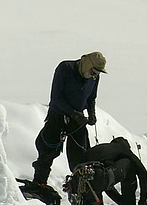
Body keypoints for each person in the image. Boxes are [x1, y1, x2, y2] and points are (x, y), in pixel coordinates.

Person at [31, 51, 107, 188]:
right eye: (94, 71)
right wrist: (73, 113)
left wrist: (91, 114)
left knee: (81, 155)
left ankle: (82, 188)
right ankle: (39, 183)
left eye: (98, 73)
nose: (94, 75)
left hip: (77, 119)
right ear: (87, 64)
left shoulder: (94, 78)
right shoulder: (65, 68)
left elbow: (91, 98)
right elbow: (56, 97)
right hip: (58, 115)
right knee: (48, 150)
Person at [66, 137, 147, 205]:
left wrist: (121, 202)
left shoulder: (104, 151)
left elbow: (107, 185)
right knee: (130, 165)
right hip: (95, 177)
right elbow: (143, 173)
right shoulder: (124, 150)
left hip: (78, 181)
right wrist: (143, 201)